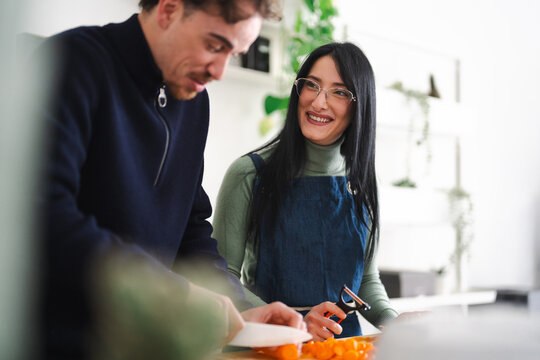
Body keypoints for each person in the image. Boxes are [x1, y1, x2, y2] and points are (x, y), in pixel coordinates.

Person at [37, 0, 305, 358]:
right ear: (168, 10)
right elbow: (44, 217)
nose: (221, 70)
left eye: (234, 53)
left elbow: (192, 227)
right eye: (214, 45)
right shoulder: (69, 62)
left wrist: (238, 311)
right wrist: (173, 291)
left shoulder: (194, 101)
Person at [212, 42, 399, 341]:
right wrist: (293, 326)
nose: (319, 102)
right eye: (311, 85)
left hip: (342, 346)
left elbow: (365, 281)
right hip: (271, 345)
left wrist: (394, 321)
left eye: (339, 92)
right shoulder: (248, 174)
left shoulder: (364, 182)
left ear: (359, 105)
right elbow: (221, 279)